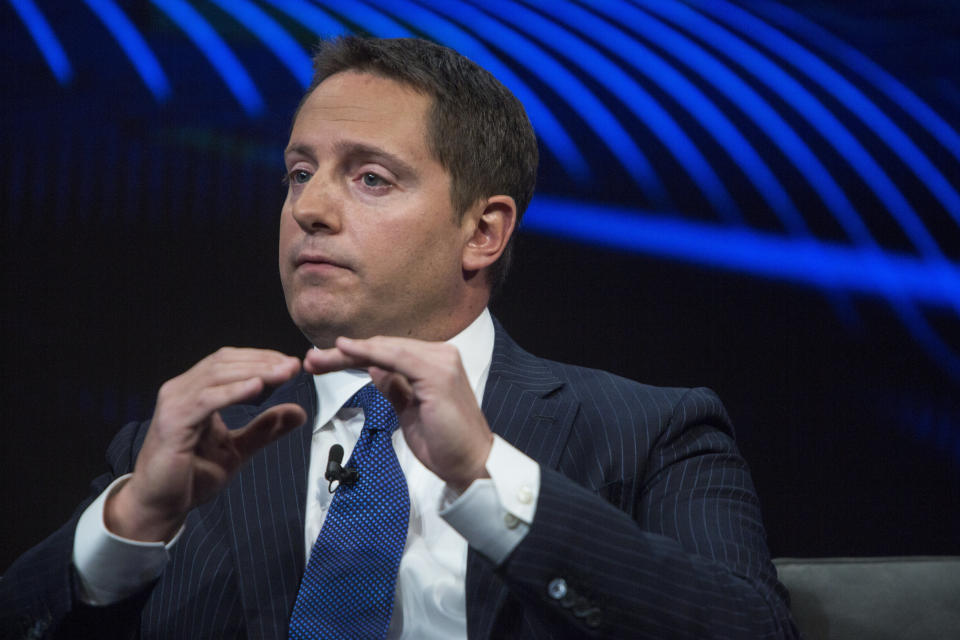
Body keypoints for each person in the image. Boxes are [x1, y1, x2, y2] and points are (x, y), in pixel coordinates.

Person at [0, 37, 797, 639]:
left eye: (370, 177)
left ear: (483, 233)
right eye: (299, 172)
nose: (309, 209)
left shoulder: (652, 432)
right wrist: (133, 520)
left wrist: (488, 475)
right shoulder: (179, 453)